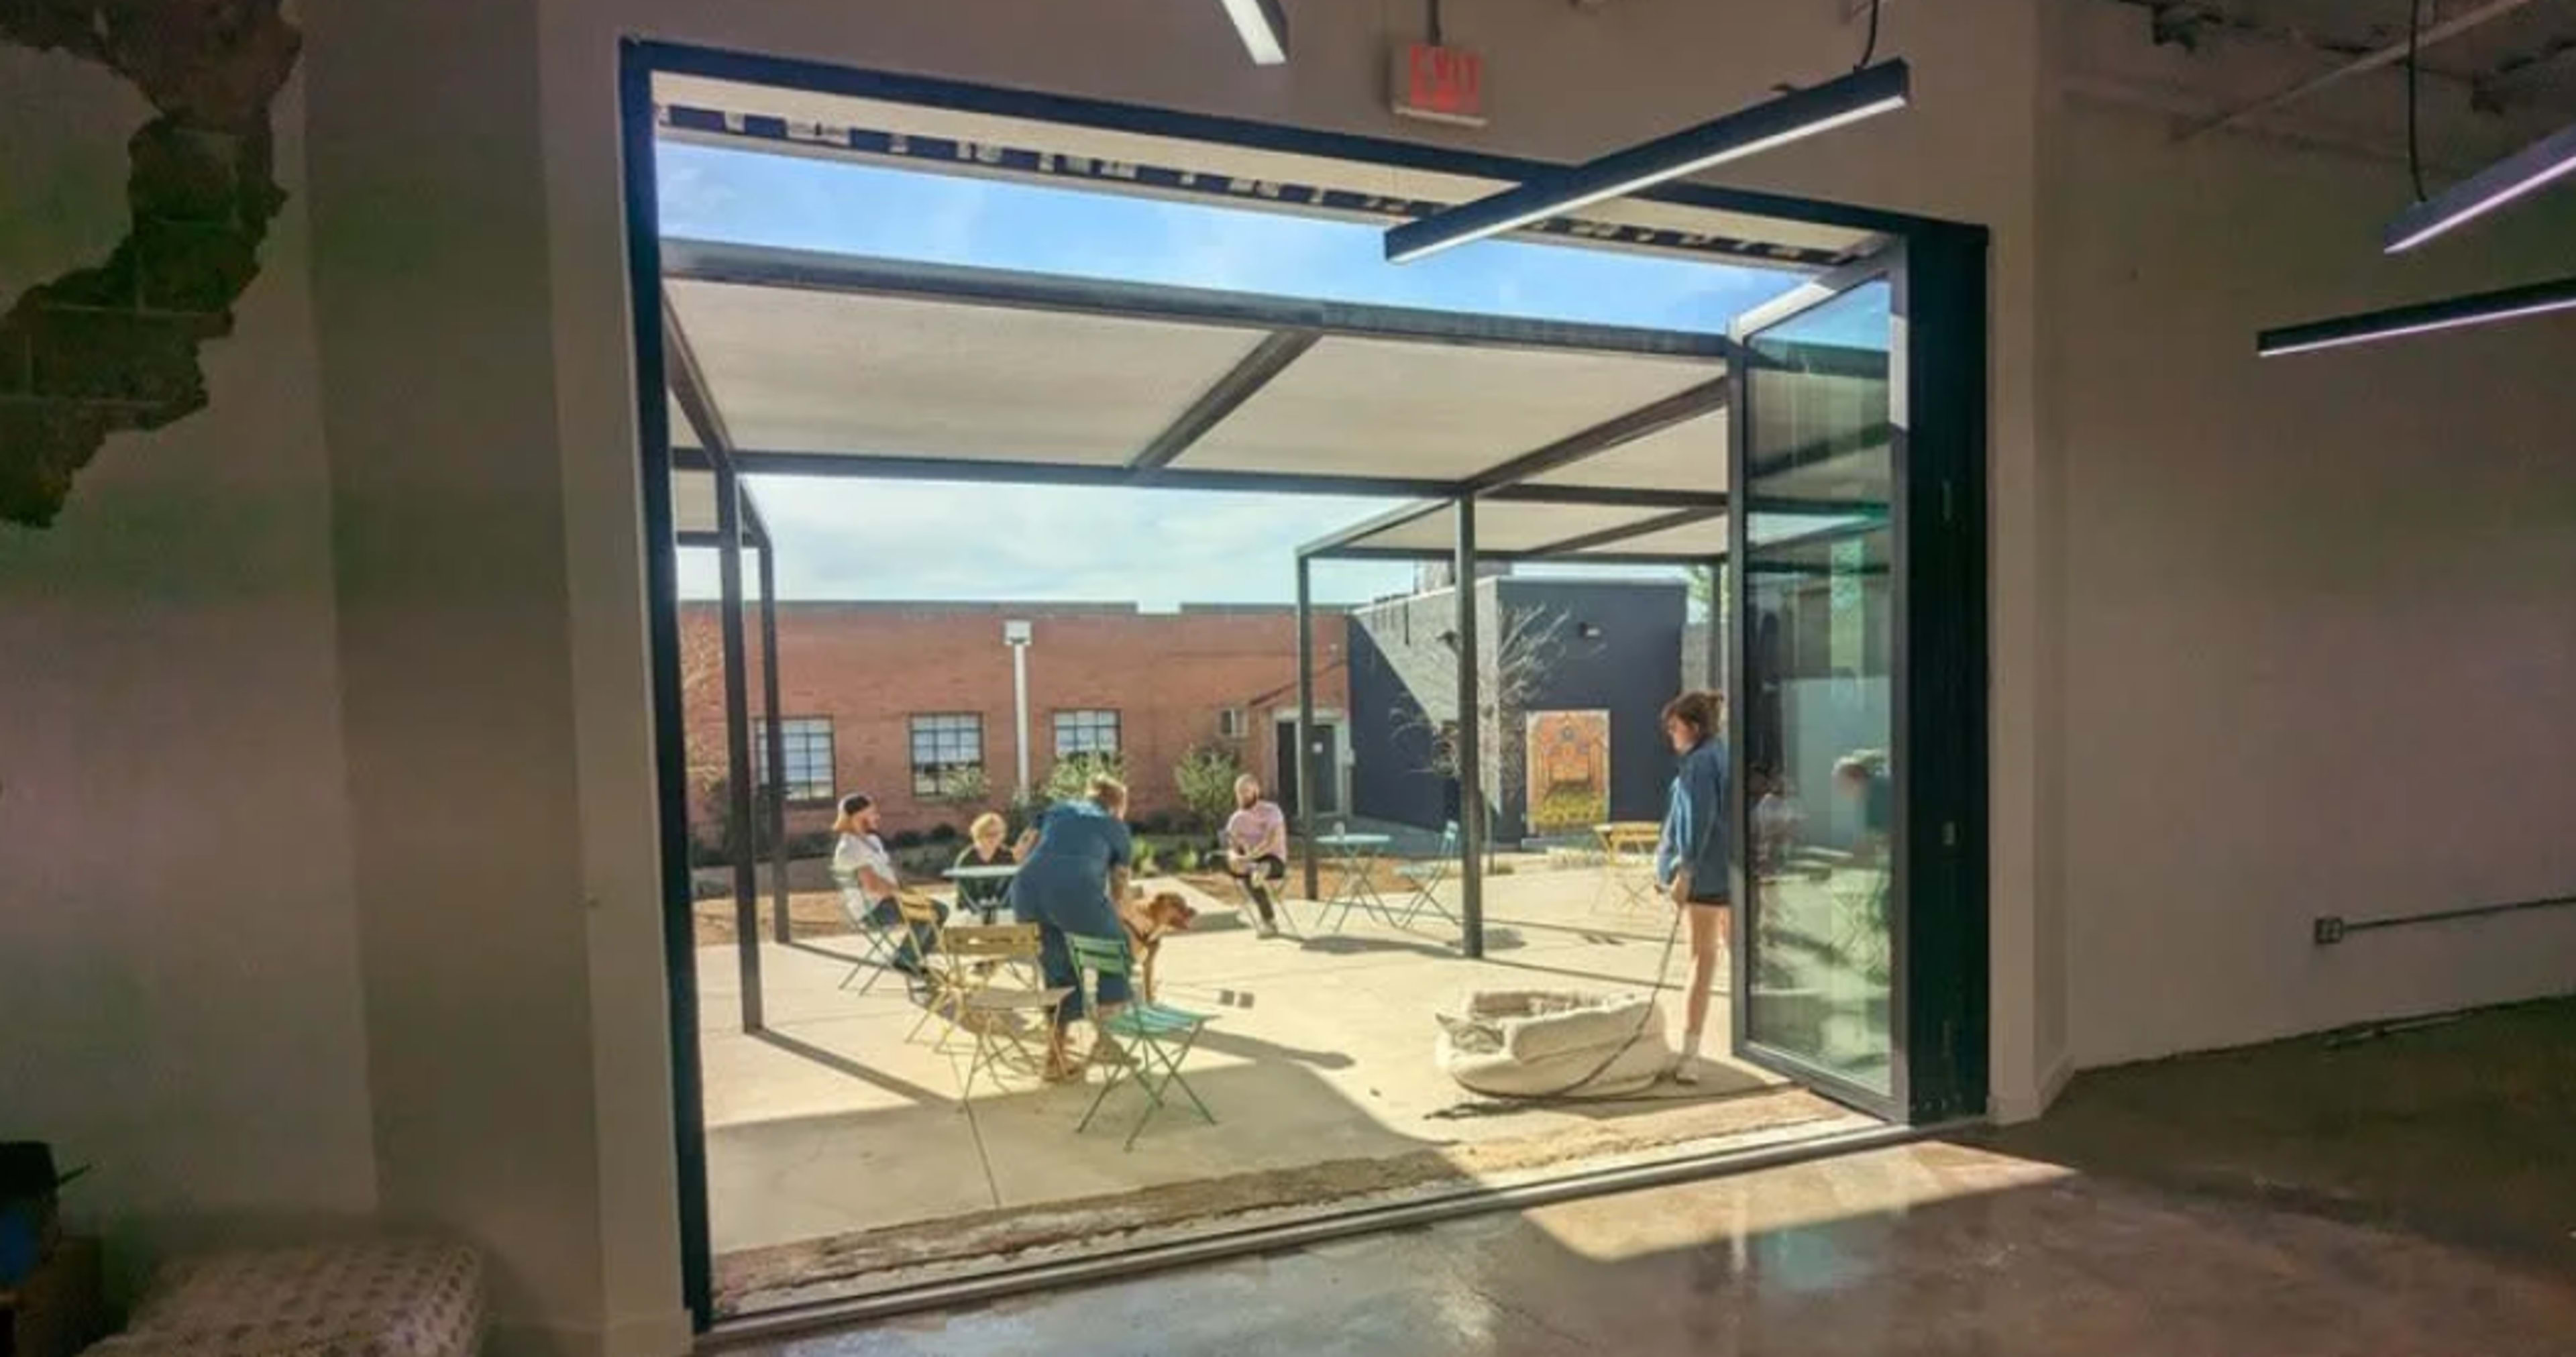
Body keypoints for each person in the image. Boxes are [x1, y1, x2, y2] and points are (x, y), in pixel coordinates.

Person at [1006, 775, 1136, 1080]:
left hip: (1026, 893)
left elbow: (1020, 852)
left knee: (1059, 973)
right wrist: (1119, 919)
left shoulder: (1057, 810)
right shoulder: (1115, 826)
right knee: (1117, 951)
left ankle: (1055, 1059)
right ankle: (1105, 1041)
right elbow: (1119, 886)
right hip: (1074, 891)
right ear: (1118, 804)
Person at [1653, 690, 1731, 1085]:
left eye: (1675, 727)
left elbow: (1695, 821)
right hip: (1727, 871)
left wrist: (1684, 873)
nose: (1671, 734)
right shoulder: (1722, 754)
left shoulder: (1699, 764)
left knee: (1700, 961)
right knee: (1730, 952)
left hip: (1704, 877)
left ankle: (1690, 1055)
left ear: (1694, 727)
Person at [833, 794, 946, 983]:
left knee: (941, 910)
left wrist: (908, 893)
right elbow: (873, 886)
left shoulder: (872, 841)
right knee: (929, 913)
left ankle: (911, 959)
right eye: (873, 813)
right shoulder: (849, 848)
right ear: (858, 816)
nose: (878, 817)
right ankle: (904, 961)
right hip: (873, 910)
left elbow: (888, 874)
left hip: (889, 900)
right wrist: (906, 897)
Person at [1222, 773, 1290, 938]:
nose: (1243, 796)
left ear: (1256, 791)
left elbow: (1271, 841)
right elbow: (1231, 847)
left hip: (1274, 859)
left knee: (1258, 870)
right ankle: (1269, 922)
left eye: (1246, 791)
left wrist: (1249, 857)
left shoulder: (1272, 811)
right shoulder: (1236, 820)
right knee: (1247, 872)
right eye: (1239, 792)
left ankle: (1268, 921)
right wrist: (1233, 857)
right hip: (1250, 864)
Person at [949, 812, 1018, 924]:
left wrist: (999, 909)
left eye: (996, 834)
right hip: (972, 908)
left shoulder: (1007, 856)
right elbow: (964, 892)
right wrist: (979, 912)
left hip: (1002, 907)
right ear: (978, 835)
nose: (992, 838)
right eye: (987, 834)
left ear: (1002, 835)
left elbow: (1011, 885)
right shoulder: (966, 859)